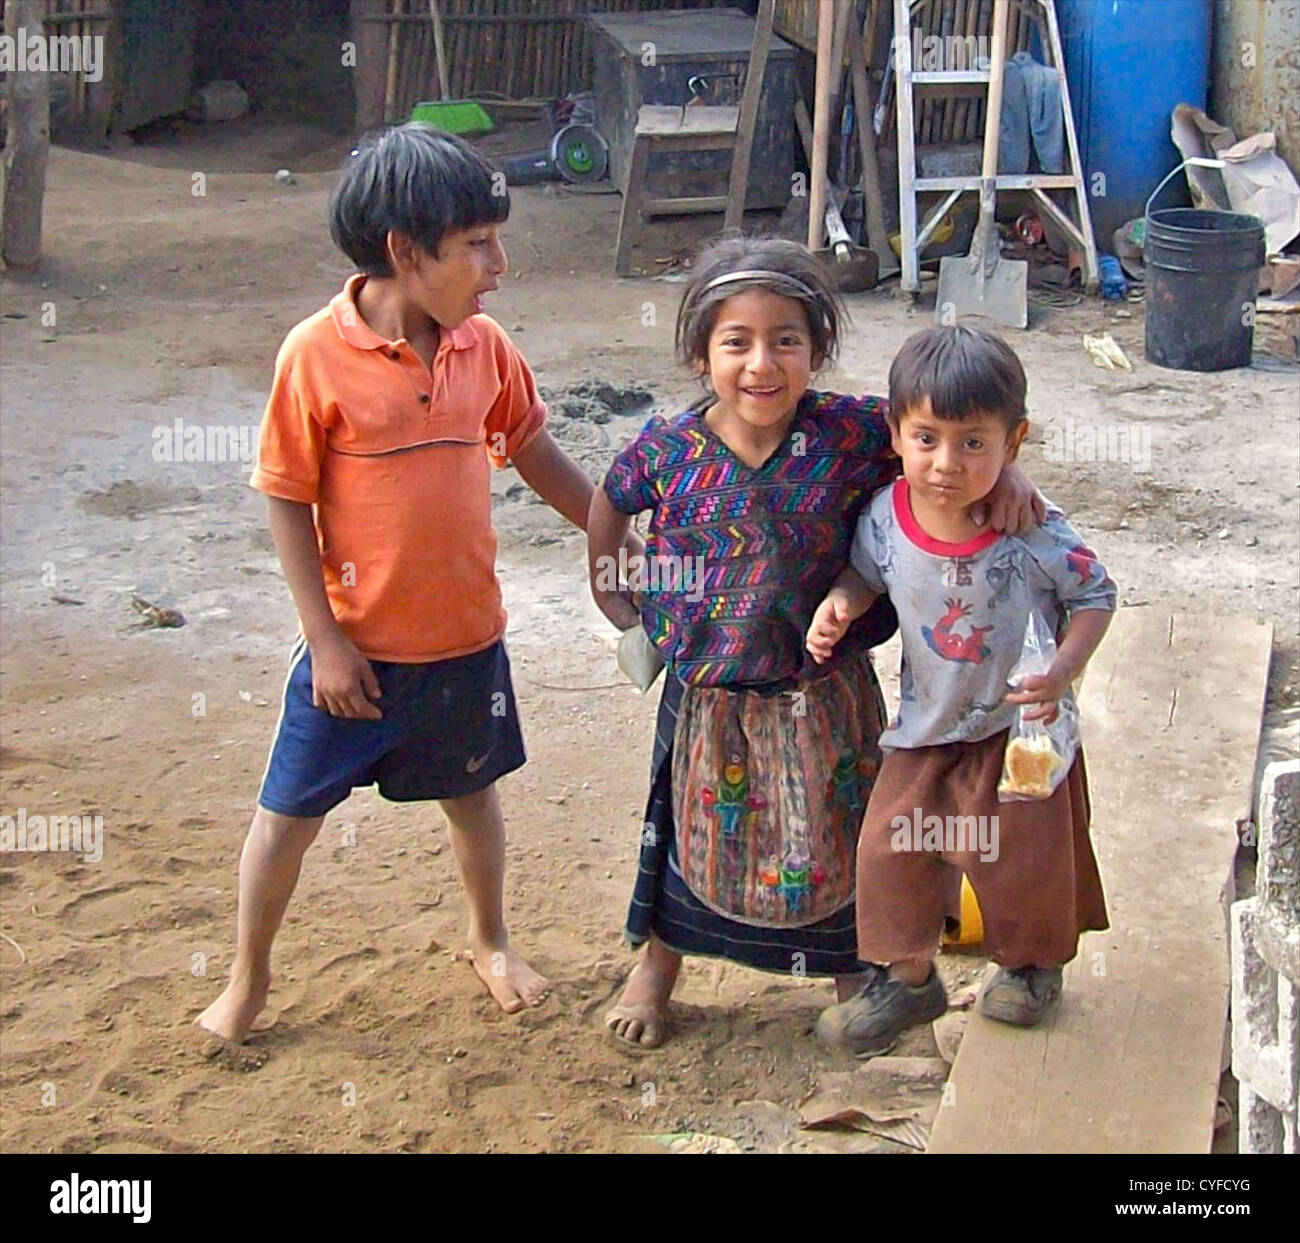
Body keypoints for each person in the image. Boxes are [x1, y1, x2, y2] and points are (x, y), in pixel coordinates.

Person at [198, 124, 631, 1043]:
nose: (499, 265)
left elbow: (533, 450)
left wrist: (611, 533)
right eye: (478, 244)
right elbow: (285, 498)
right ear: (405, 251)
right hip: (353, 659)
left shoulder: (485, 348)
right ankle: (248, 976)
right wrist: (324, 640)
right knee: (286, 819)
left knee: (474, 800)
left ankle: (491, 940)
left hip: (465, 643)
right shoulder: (313, 356)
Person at [587, 237, 1041, 1049]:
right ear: (700, 352)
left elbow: (939, 430)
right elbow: (609, 505)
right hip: (709, 696)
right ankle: (656, 967)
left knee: (842, 831)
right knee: (686, 833)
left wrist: (1008, 473)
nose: (762, 364)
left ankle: (860, 976)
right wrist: (623, 608)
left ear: (818, 349)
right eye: (737, 342)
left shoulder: (852, 431)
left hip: (823, 688)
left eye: (786, 340)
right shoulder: (667, 450)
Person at [807, 324, 1115, 1056]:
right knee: (892, 851)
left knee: (1021, 863)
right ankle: (907, 980)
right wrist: (842, 602)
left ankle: (1032, 969)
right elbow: (866, 574)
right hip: (926, 727)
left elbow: (1096, 594)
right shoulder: (885, 518)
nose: (947, 463)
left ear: (1015, 442)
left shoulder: (1029, 528)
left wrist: (1064, 670)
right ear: (896, 433)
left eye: (974, 443)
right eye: (928, 438)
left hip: (1018, 735)